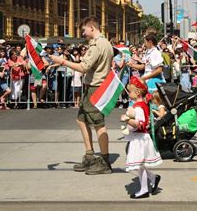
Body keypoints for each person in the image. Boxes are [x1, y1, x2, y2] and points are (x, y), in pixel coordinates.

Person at [50, 17, 114, 174]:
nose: (84, 33)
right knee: (81, 120)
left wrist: (63, 62)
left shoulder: (98, 44)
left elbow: (83, 67)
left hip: (96, 88)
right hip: (94, 86)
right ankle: (90, 155)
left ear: (92, 28)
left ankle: (105, 162)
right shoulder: (103, 43)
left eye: (84, 30)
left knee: (99, 125)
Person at [122, 76, 162, 199]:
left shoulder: (138, 107)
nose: (128, 93)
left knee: (139, 166)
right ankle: (153, 178)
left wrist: (127, 120)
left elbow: (140, 124)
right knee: (141, 164)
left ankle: (144, 190)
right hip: (141, 138)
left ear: (138, 92)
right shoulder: (142, 104)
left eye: (131, 91)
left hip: (139, 139)